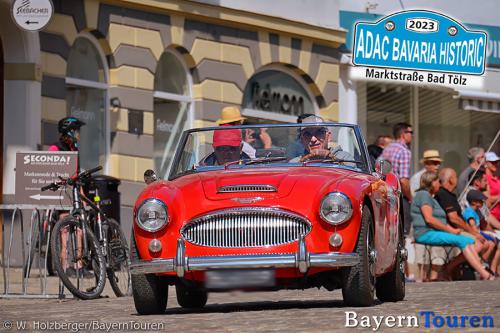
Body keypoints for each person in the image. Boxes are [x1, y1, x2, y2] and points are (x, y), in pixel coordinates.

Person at [411, 171, 494, 280]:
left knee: (468, 240)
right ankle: (483, 273)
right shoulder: (423, 195)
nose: (439, 184)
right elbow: (429, 219)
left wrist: (451, 230)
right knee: (463, 240)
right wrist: (450, 230)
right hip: (425, 233)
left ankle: (479, 269)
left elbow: (437, 219)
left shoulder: (430, 197)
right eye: (437, 182)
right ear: (431, 182)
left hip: (433, 232)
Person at [48, 117, 91, 278]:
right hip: (60, 193)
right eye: (77, 131)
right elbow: (48, 172)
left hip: (73, 192)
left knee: (80, 226)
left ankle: (79, 265)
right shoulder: (55, 148)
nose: (79, 134)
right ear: (70, 132)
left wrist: (82, 195)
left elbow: (76, 174)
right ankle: (65, 265)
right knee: (65, 227)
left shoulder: (74, 150)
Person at [380, 122, 413, 237]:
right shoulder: (404, 151)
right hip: (398, 194)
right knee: (403, 232)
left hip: (384, 192)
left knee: (387, 231)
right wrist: (410, 197)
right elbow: (403, 180)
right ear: (403, 134)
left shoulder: (388, 149)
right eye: (410, 132)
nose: (412, 135)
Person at [463, 190, 500, 277]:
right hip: (473, 234)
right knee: (489, 244)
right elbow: (473, 227)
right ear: (474, 202)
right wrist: (486, 235)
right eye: (480, 201)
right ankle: (481, 265)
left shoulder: (476, 212)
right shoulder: (469, 212)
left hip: (478, 233)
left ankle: (485, 265)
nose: (483, 202)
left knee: (491, 244)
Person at [288, 115, 353, 163]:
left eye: (319, 133)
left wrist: (332, 158)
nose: (313, 139)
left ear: (329, 137)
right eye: (307, 134)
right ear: (302, 140)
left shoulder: (344, 158)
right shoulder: (295, 163)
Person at [484, 152, 500, 221]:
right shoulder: (484, 179)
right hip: (492, 218)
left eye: (496, 162)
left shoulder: (497, 179)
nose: (495, 164)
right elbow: (488, 200)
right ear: (486, 163)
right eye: (492, 162)